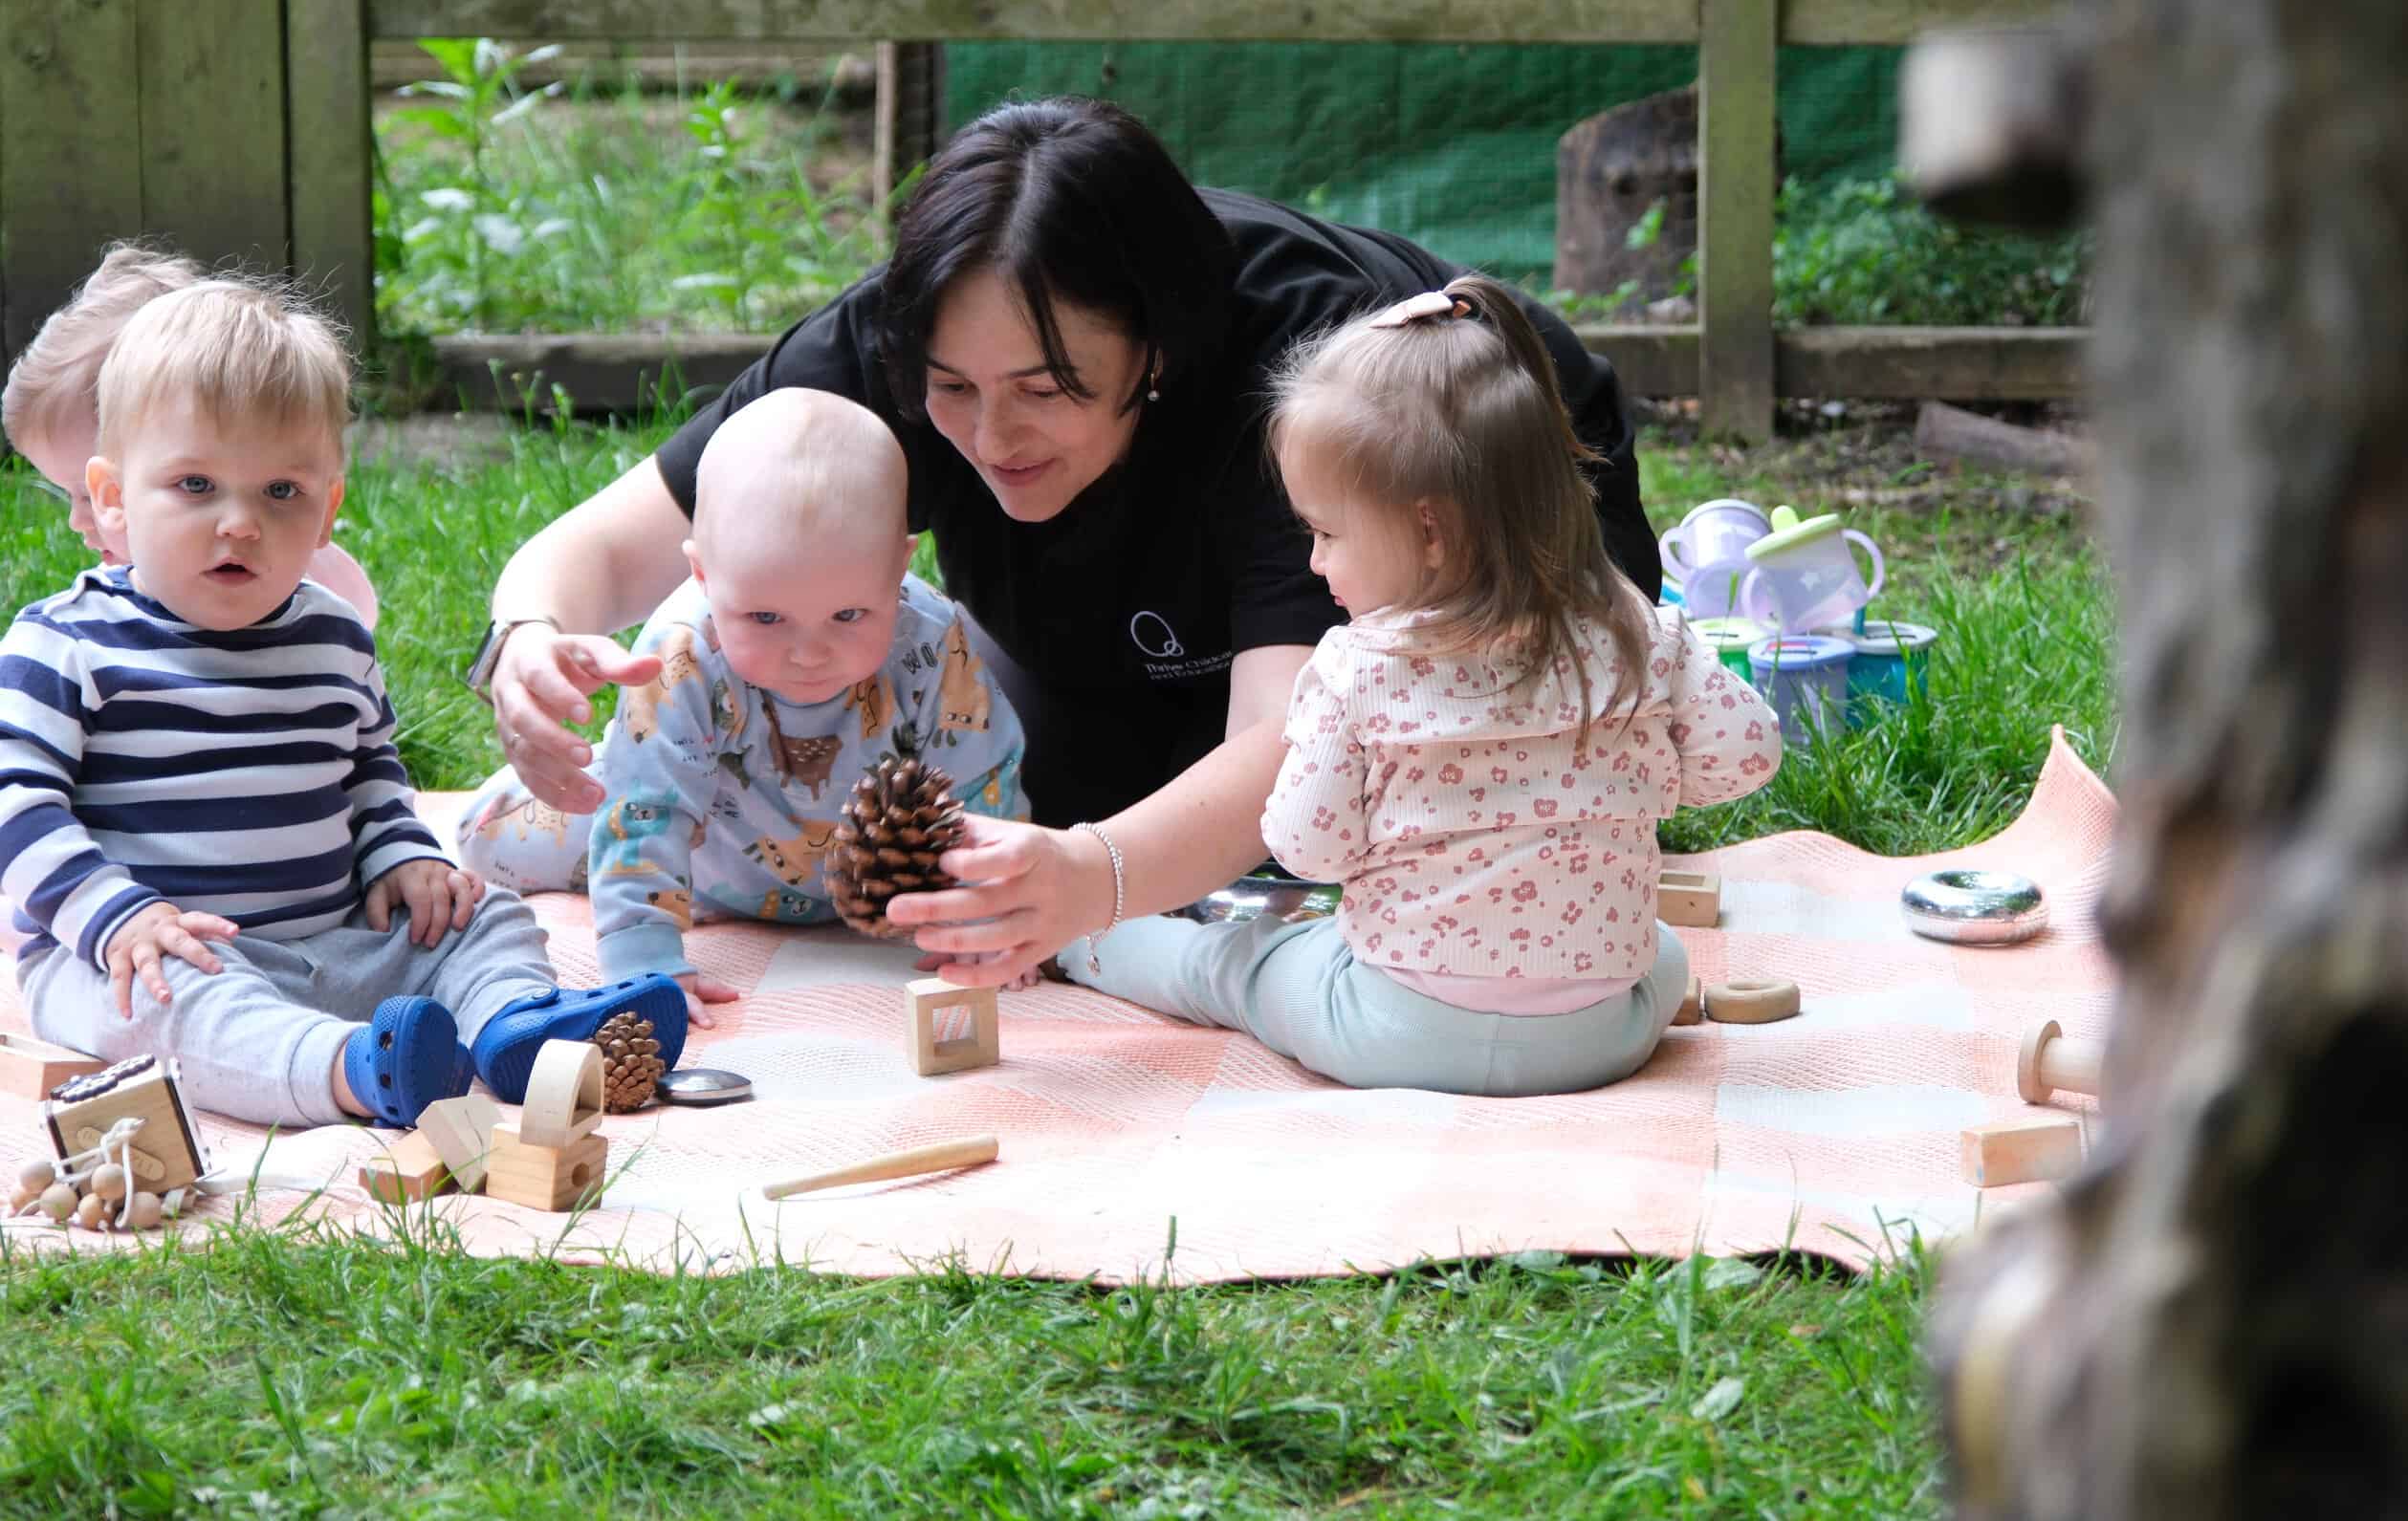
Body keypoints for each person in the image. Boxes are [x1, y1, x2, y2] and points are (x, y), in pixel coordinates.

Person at [473, 97, 1663, 991]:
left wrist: (1094, 879)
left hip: (1489, 579)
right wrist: (527, 642)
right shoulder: (902, 347)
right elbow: (605, 546)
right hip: (1150, 625)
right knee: (1062, 789)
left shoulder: (1307, 389)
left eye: (1045, 388)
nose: (992, 437)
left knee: (1357, 830)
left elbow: (1292, 753)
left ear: (1153, 345)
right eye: (953, 390)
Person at [1054, 277, 1782, 1094]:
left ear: (1429, 530)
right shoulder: (1636, 628)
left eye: (1326, 533)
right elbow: (1748, 756)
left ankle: (1091, 946)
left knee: (1238, 968)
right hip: (1600, 1033)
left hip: (1388, 1031)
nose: (1314, 561)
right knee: (1663, 949)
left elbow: (1305, 849)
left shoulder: (1352, 668)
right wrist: (1631, 788)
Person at [0, 279, 683, 1131]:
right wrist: (117, 916)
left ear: (328, 509)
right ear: (110, 498)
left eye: (280, 492)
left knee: (484, 914)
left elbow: (368, 771)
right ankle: (353, 1071)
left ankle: (517, 1027)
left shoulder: (331, 636)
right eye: (195, 485)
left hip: (333, 940)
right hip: (156, 949)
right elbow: (16, 804)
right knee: (169, 1010)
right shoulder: (65, 644)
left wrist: (401, 858)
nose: (240, 522)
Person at [454, 389, 1032, 1021]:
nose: (809, 653)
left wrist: (991, 918)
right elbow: (644, 813)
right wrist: (645, 958)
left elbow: (985, 785)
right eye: (765, 617)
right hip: (698, 847)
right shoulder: (680, 653)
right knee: (491, 839)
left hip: (863, 869)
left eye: (848, 615)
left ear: (899, 566)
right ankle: (605, 765)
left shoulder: (933, 639)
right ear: (703, 577)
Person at [3, 242, 380, 625]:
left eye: (85, 495)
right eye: (81, 493)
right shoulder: (79, 632)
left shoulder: (296, 591)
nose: (78, 520)